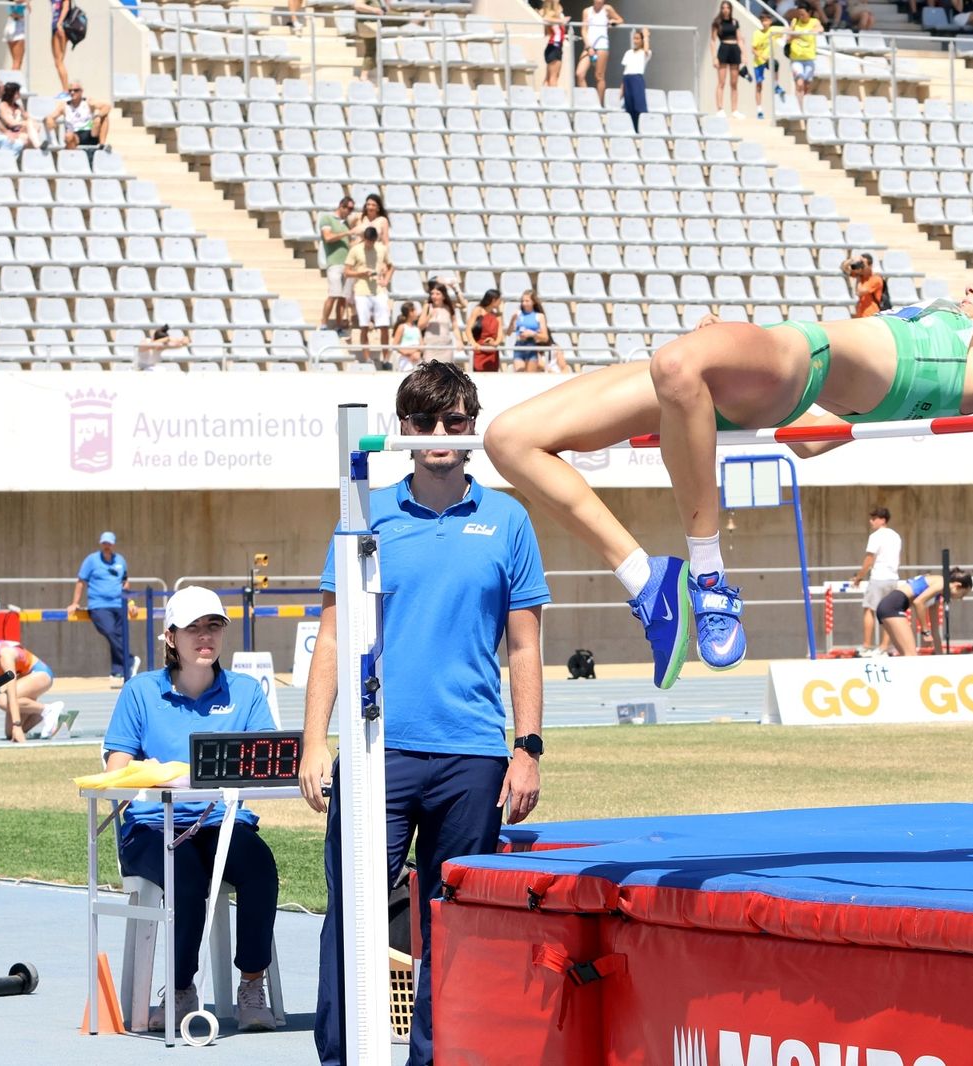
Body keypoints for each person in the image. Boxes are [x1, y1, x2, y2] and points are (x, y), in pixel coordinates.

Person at [484, 60, 973, 690]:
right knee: (510, 439)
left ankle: (709, 579)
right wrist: (722, 355)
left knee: (675, 360)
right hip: (764, 379)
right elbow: (812, 437)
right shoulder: (937, 324)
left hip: (798, 362)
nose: (971, 283)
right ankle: (646, 580)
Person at [300, 360, 548, 1066]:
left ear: (472, 428)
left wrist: (527, 747)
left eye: (456, 423)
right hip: (382, 749)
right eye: (424, 423)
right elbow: (332, 634)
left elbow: (525, 648)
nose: (441, 435)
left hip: (473, 754)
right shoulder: (364, 512)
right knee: (353, 914)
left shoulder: (508, 520)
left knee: (456, 922)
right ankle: (344, 1056)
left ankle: (438, 1057)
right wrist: (315, 739)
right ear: (400, 431)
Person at [105, 585, 280, 1033]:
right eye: (194, 628)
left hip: (223, 823)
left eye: (214, 626)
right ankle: (181, 988)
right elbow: (117, 772)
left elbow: (267, 764)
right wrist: (166, 775)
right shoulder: (140, 693)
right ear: (170, 637)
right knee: (185, 874)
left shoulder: (246, 692)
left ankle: (251, 983)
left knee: (261, 866)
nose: (206, 636)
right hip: (153, 829)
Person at [0, 636, 69, 743]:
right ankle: (58, 717)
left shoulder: (5, 655)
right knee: (10, 734)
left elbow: (12, 692)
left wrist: (17, 725)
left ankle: (48, 709)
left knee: (3, 701)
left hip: (41, 675)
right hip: (25, 680)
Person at [68, 531, 136, 682]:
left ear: (113, 544)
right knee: (109, 631)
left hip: (119, 603)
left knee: (119, 636)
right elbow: (81, 582)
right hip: (99, 604)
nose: (107, 546)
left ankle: (118, 671)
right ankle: (129, 660)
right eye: (104, 543)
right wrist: (75, 602)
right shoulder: (91, 560)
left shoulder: (120, 560)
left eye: (109, 543)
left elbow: (125, 581)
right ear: (101, 543)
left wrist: (130, 602)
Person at [875, 569, 973, 657]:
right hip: (892, 607)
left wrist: (941, 657)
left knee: (907, 656)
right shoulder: (942, 582)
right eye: (963, 594)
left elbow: (935, 630)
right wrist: (925, 631)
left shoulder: (937, 595)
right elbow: (918, 602)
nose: (961, 598)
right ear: (958, 586)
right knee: (911, 656)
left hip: (889, 608)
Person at [851, 506, 902, 655]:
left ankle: (866, 645)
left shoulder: (876, 536)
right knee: (889, 613)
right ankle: (884, 647)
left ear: (882, 520)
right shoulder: (896, 536)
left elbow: (869, 559)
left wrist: (859, 577)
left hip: (879, 577)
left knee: (869, 609)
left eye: (874, 518)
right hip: (893, 577)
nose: (871, 521)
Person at [344, 229, 392, 366]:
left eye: (372, 241)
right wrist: (360, 272)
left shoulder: (381, 249)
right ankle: (367, 358)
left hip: (378, 289)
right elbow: (346, 272)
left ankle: (386, 359)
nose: (370, 244)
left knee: (384, 325)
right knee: (364, 326)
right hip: (361, 290)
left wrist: (386, 280)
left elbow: (391, 266)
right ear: (364, 238)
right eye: (367, 240)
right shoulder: (355, 250)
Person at [318, 196, 355, 332]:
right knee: (334, 294)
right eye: (348, 208)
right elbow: (327, 237)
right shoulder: (327, 219)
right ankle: (323, 324)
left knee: (343, 298)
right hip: (334, 263)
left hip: (347, 264)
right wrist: (347, 232)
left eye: (352, 209)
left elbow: (348, 243)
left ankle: (339, 326)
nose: (350, 212)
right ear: (341, 206)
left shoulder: (346, 223)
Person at [576, 0, 623, 97]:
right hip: (589, 46)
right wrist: (589, 46)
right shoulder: (586, 11)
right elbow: (584, 30)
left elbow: (620, 20)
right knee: (579, 74)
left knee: (599, 76)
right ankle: (588, 100)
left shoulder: (607, 9)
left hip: (602, 45)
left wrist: (613, 21)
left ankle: (599, 104)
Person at [44, 81, 111, 150]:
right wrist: (50, 120)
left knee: (104, 117)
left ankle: (102, 145)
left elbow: (107, 106)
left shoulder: (88, 102)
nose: (72, 92)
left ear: (81, 91)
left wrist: (97, 116)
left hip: (90, 132)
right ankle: (73, 156)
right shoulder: (64, 106)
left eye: (76, 90)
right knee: (68, 136)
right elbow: (51, 116)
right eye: (70, 91)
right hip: (74, 135)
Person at [710, 1, 744, 120]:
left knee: (734, 83)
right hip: (723, 49)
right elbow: (713, 41)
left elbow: (739, 39)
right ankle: (720, 108)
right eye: (723, 8)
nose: (725, 10)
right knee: (721, 82)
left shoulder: (735, 22)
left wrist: (743, 54)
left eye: (727, 8)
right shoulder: (717, 23)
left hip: (734, 49)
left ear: (730, 9)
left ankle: (734, 110)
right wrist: (714, 57)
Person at [417, 281, 464, 362]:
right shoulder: (427, 306)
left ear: (443, 296)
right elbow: (420, 326)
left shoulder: (449, 307)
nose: (434, 296)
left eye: (437, 294)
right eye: (432, 294)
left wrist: (459, 340)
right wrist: (429, 316)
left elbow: (455, 326)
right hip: (430, 346)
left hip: (446, 346)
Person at [509, 289, 552, 371]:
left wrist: (532, 334)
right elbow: (508, 333)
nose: (524, 303)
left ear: (533, 302)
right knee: (519, 374)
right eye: (522, 301)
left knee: (530, 376)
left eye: (527, 301)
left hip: (532, 347)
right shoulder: (518, 314)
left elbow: (545, 337)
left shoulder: (539, 316)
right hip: (519, 347)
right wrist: (512, 320)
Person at [787, 2, 822, 97]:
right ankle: (798, 107)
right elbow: (788, 38)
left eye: (803, 14)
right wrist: (794, 35)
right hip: (796, 58)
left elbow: (820, 29)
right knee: (799, 83)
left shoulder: (814, 22)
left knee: (806, 85)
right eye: (799, 14)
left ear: (809, 13)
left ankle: (804, 107)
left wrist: (806, 32)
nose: (800, 17)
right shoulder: (794, 21)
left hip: (809, 58)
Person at [620, 27, 651, 132]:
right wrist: (622, 88)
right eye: (634, 38)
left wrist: (646, 36)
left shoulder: (645, 53)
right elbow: (626, 70)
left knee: (640, 106)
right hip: (627, 79)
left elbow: (646, 50)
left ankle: (642, 129)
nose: (635, 41)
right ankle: (634, 129)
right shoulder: (628, 53)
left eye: (638, 39)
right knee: (630, 107)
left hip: (637, 78)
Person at [466, 288, 504, 372]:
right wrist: (473, 343)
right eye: (499, 300)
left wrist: (495, 343)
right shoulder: (478, 310)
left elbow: (500, 334)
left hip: (492, 351)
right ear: (494, 300)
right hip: (480, 349)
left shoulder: (497, 315)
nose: (501, 302)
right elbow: (468, 329)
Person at [0, 81, 44, 150]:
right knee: (28, 135)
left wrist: (30, 122)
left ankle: (37, 146)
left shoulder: (18, 106)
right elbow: (10, 123)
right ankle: (38, 146)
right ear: (11, 93)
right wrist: (24, 123)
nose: (19, 94)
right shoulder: (3, 106)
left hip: (19, 133)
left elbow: (28, 117)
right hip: (9, 133)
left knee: (32, 129)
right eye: (17, 92)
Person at [842, 250, 884, 318]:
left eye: (863, 264)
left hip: (871, 315)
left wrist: (858, 276)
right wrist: (852, 260)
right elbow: (844, 268)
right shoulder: (862, 276)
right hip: (861, 315)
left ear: (870, 266)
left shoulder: (876, 279)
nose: (862, 267)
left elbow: (859, 292)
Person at [751, 12, 776, 119]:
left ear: (770, 21)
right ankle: (759, 109)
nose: (765, 23)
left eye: (767, 20)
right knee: (759, 85)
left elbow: (786, 30)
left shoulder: (773, 30)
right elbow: (753, 49)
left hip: (769, 61)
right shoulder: (757, 33)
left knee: (776, 67)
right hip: (759, 62)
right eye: (763, 20)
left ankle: (777, 86)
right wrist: (762, 57)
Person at [539, 0, 569, 88]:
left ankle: (545, 96)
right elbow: (545, 18)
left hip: (557, 47)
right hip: (554, 47)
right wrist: (562, 21)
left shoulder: (557, 18)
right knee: (553, 78)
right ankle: (553, 98)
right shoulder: (552, 17)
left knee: (550, 77)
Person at [392, 301, 423, 373]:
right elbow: (395, 345)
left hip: (417, 359)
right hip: (405, 360)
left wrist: (417, 353)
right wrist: (408, 354)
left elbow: (422, 345)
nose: (416, 313)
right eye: (414, 310)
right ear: (410, 312)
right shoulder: (402, 327)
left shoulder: (416, 329)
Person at [50, 0, 73, 91]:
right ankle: (65, 89)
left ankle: (66, 90)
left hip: (59, 27)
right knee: (59, 62)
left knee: (59, 62)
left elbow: (66, 7)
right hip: (56, 27)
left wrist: (59, 23)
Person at [4, 0, 27, 69]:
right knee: (17, 61)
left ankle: (14, 79)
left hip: (12, 24)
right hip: (16, 26)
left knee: (16, 61)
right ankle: (13, 79)